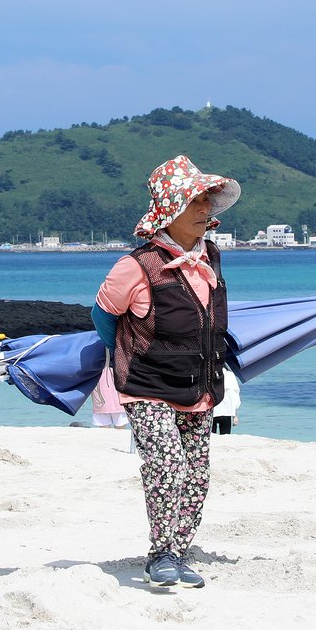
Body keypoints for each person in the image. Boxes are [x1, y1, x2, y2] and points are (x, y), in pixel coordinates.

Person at [93, 155, 240, 588]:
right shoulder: (135, 265)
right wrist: (122, 352)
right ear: (169, 210)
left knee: (196, 476)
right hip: (147, 386)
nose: (205, 209)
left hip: (200, 386)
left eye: (208, 200)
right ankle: (160, 556)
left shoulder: (211, 255)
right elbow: (104, 314)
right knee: (167, 466)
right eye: (195, 201)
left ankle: (178, 550)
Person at [212, 368, 241, 435]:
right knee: (226, 435)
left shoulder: (208, 373)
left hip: (212, 412)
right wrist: (235, 416)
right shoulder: (230, 375)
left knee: (211, 438)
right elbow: (235, 396)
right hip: (227, 413)